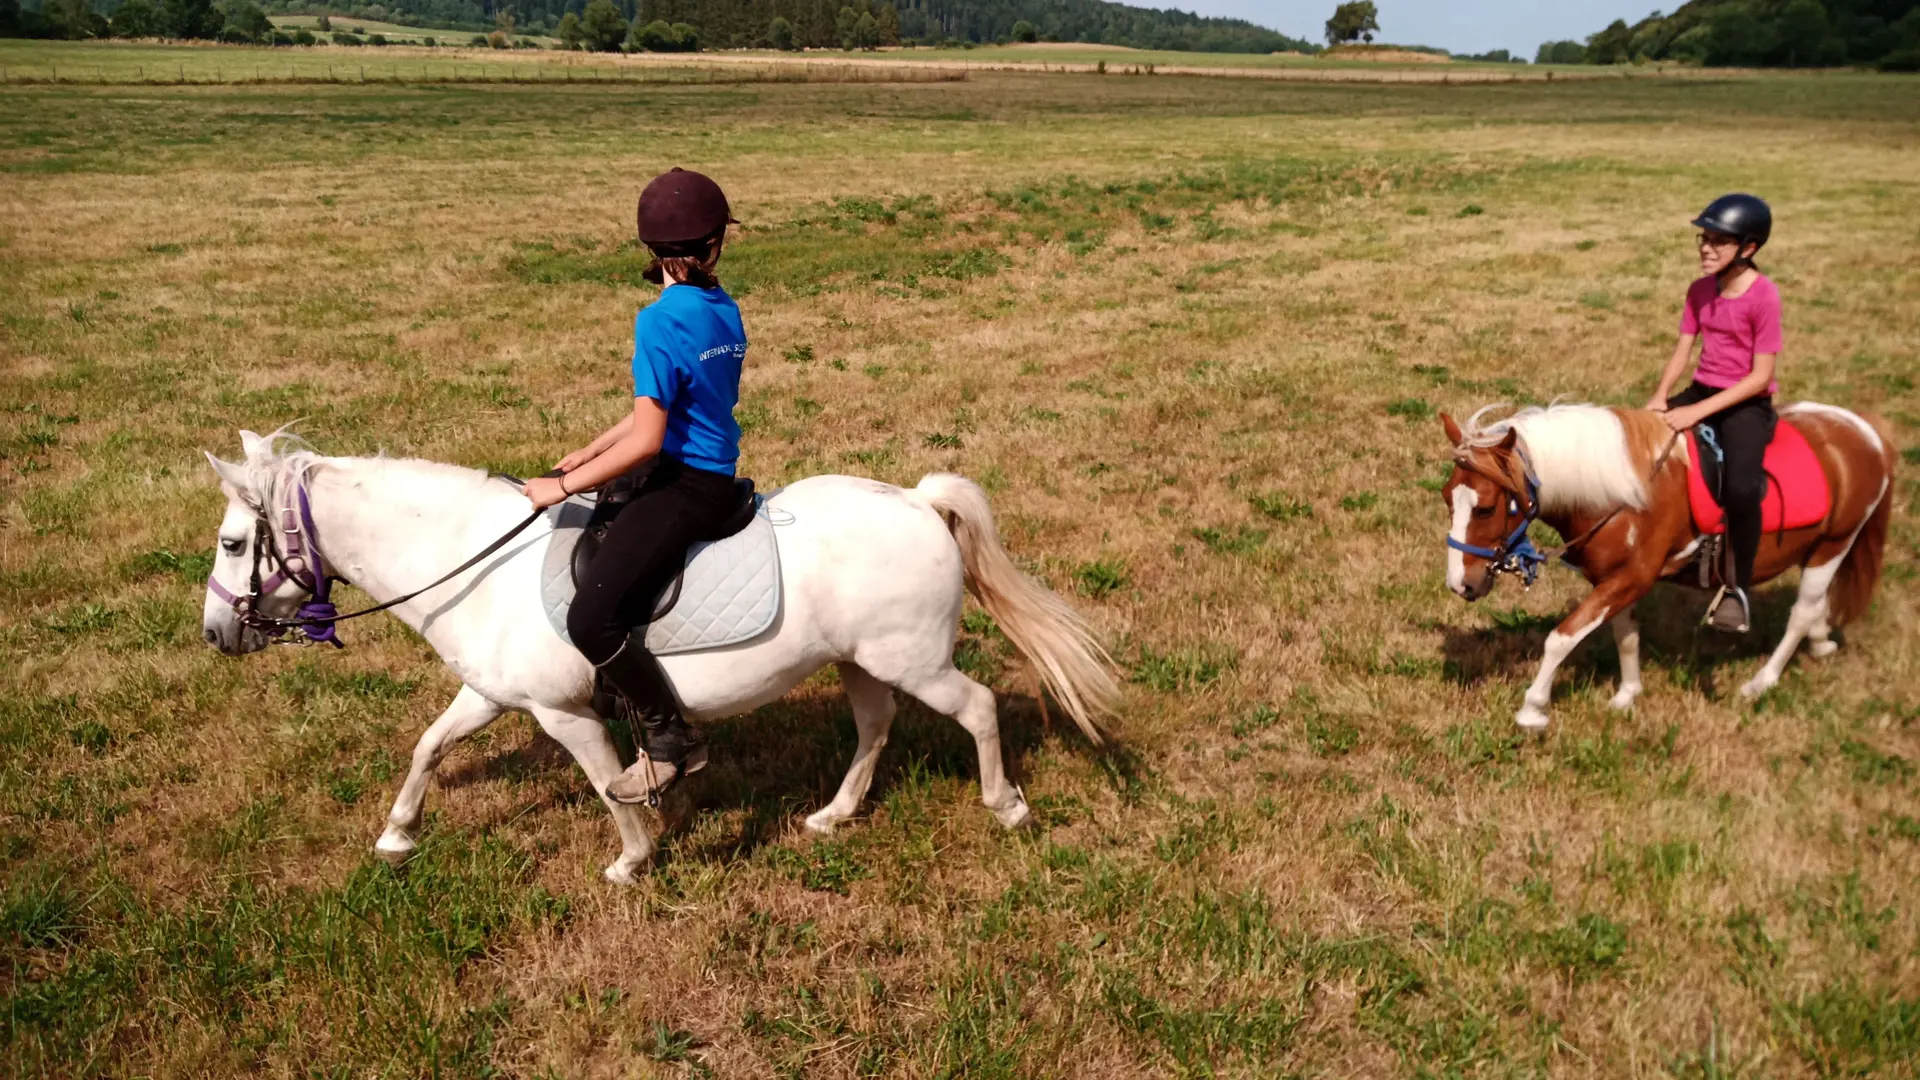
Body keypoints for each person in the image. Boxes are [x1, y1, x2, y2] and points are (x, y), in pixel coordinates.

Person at [524, 167, 747, 802]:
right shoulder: (720, 304)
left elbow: (649, 439)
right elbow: (658, 409)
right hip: (709, 471)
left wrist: (557, 490)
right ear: (714, 245)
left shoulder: (658, 321)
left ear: (651, 249)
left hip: (686, 485)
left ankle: (669, 738)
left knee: (591, 618)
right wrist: (587, 454)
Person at [1646, 193, 1780, 633]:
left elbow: (1760, 377)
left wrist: (1698, 412)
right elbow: (1683, 349)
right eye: (1704, 238)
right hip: (1702, 389)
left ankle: (1737, 588)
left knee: (1742, 488)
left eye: (1719, 242)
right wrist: (1661, 398)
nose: (1705, 248)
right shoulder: (1700, 290)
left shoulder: (1764, 297)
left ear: (1749, 249)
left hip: (1745, 403)